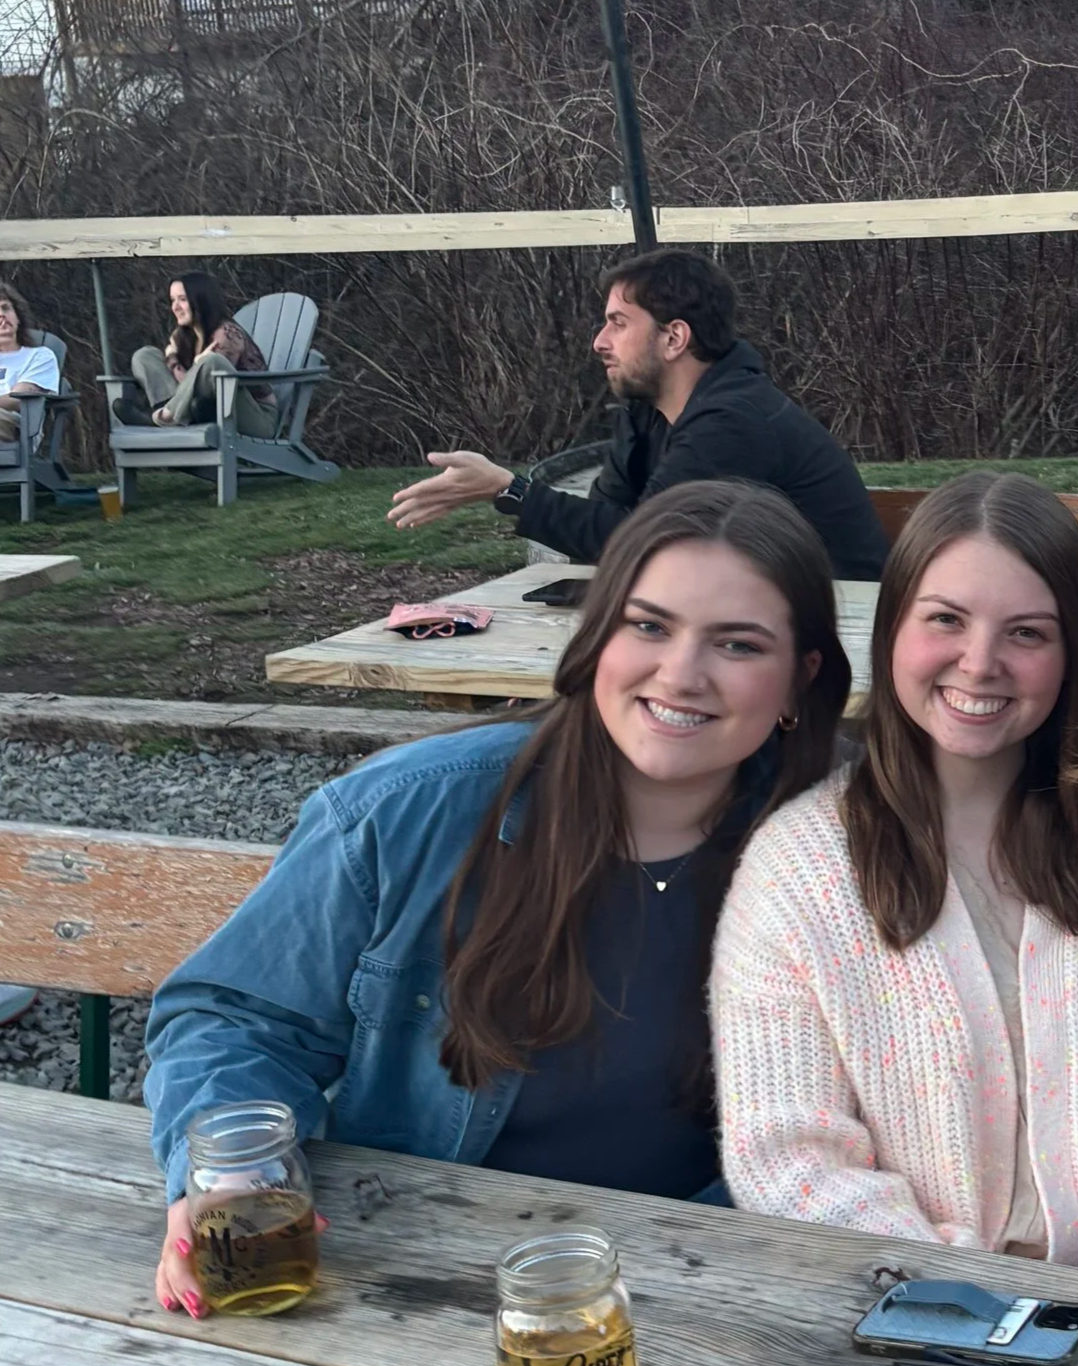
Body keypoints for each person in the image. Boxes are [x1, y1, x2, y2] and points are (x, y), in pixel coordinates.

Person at [145, 479, 850, 1319]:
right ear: (597, 637)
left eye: (738, 645)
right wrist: (233, 1177)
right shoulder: (405, 813)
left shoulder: (845, 850)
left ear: (801, 678)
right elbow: (235, 1018)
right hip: (419, 1266)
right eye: (649, 626)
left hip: (713, 1277)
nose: (682, 673)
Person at [711, 471, 1078, 1268]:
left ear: (1075, 653)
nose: (980, 662)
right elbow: (787, 1160)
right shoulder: (798, 867)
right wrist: (964, 1284)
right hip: (912, 1303)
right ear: (894, 628)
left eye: (1027, 633)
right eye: (945, 620)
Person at [389, 250, 889, 581]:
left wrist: (507, 489)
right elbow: (607, 535)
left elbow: (638, 541)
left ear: (674, 338)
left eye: (618, 324)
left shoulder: (735, 421)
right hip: (743, 617)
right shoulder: (647, 413)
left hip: (834, 635)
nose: (599, 343)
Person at [114, 271, 278, 434]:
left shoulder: (227, 335)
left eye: (183, 300)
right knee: (145, 356)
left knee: (213, 362)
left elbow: (200, 385)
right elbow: (190, 389)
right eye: (173, 300)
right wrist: (181, 361)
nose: (175, 307)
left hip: (255, 418)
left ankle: (164, 417)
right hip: (203, 408)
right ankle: (167, 412)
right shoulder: (183, 335)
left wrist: (177, 360)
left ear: (201, 300)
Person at [0, 279, 59, 446]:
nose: (2, 314)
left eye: (6, 308)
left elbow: (17, 399)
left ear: (18, 316)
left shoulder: (39, 356)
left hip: (17, 427)